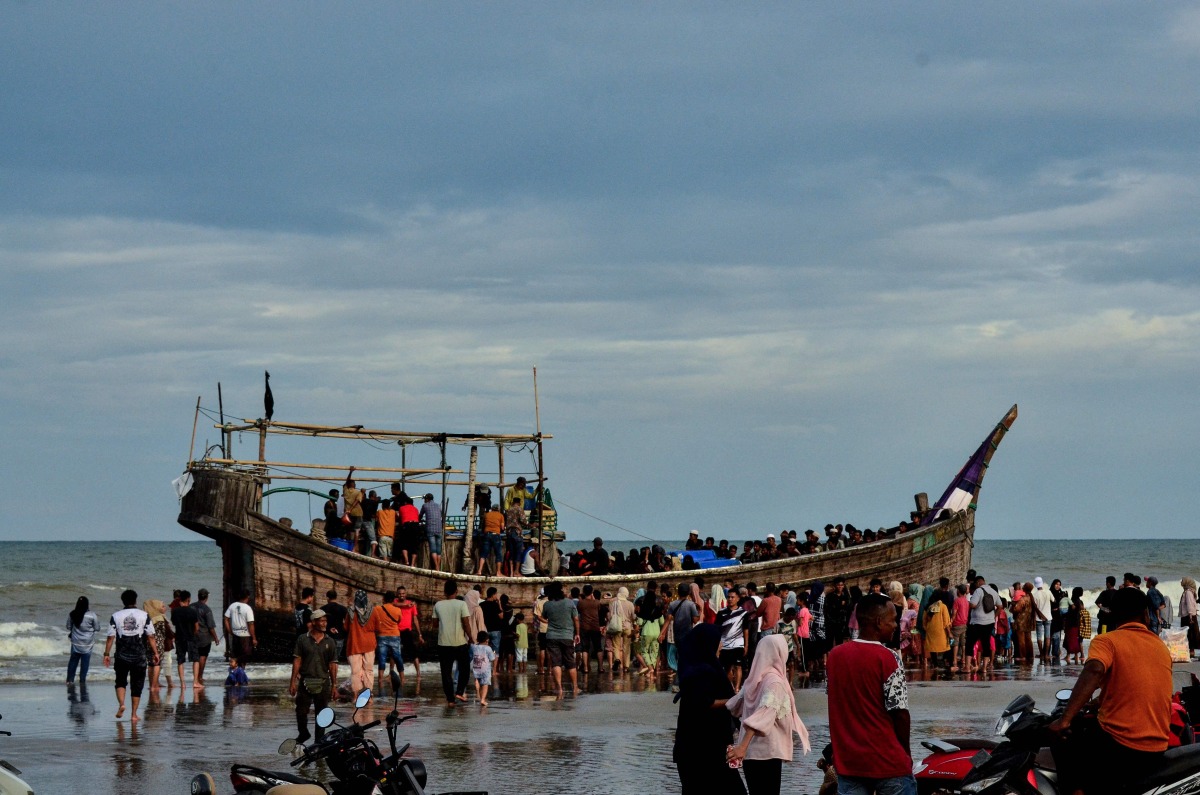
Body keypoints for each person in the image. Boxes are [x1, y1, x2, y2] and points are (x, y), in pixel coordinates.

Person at [1049, 587, 1172, 795]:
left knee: (1062, 736)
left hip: (1121, 745)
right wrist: (1095, 702)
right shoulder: (1160, 646)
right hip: (1158, 745)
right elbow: (1134, 684)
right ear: (1145, 614)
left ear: (1113, 616)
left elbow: (1095, 669)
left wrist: (1064, 719)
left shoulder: (1107, 641)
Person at [827, 594, 916, 795]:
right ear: (878, 622)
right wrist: (906, 755)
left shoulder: (835, 657)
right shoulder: (889, 658)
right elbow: (900, 713)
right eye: (892, 620)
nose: (895, 625)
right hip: (887, 762)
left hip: (849, 762)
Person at [726, 634, 811, 794]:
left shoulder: (754, 679)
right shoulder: (775, 682)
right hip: (767, 752)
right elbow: (763, 715)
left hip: (751, 753)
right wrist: (742, 747)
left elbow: (735, 707)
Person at [673, 623, 746, 795]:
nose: (720, 646)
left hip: (703, 747)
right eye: (718, 641)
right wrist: (734, 700)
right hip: (701, 749)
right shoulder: (699, 672)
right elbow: (703, 702)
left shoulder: (697, 667)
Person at [102, 589, 157, 721]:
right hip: (139, 655)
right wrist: (155, 653)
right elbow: (151, 636)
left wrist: (106, 653)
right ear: (135, 600)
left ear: (123, 601)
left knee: (120, 681)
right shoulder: (144, 615)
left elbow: (110, 637)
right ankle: (133, 715)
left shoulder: (116, 616)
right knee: (137, 685)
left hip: (121, 655)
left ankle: (122, 704)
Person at [289, 609, 338, 744]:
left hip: (323, 682)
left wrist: (334, 685)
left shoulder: (330, 642)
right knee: (301, 711)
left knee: (321, 714)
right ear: (314, 622)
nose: (324, 623)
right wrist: (292, 682)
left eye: (325, 621)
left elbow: (333, 665)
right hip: (305, 681)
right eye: (321, 621)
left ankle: (319, 741)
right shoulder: (303, 639)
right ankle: (303, 733)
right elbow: (297, 660)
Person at [432, 579, 472, 705]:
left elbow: (434, 625)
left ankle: (450, 700)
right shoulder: (461, 604)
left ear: (444, 592)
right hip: (460, 643)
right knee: (464, 669)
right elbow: (466, 623)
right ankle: (459, 692)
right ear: (456, 591)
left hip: (443, 643)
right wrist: (470, 637)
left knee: (446, 673)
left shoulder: (438, 605)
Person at [541, 580, 580, 700]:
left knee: (556, 663)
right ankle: (575, 687)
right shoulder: (569, 603)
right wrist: (577, 633)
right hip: (567, 635)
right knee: (570, 662)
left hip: (552, 636)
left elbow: (543, 617)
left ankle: (560, 689)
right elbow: (576, 619)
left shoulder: (547, 604)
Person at [344, 589, 378, 694]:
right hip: (369, 644)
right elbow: (377, 627)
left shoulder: (350, 611)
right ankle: (369, 696)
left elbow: (346, 628)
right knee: (369, 671)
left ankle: (355, 696)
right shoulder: (373, 611)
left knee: (355, 672)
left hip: (354, 644)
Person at [967, 575, 1000, 673]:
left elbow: (972, 604)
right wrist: (993, 616)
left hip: (977, 622)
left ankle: (967, 668)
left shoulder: (978, 591)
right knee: (986, 645)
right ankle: (985, 668)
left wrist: (973, 605)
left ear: (977, 583)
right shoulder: (993, 591)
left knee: (969, 644)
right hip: (989, 622)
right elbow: (1000, 606)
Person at [170, 589, 202, 689]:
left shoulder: (175, 611)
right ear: (188, 599)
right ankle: (195, 682)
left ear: (180, 599)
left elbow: (174, 624)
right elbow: (196, 627)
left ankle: (182, 683)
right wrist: (194, 634)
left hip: (179, 638)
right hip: (191, 638)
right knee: (196, 659)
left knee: (180, 660)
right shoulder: (192, 611)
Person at [67, 596, 101, 685]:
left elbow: (68, 627)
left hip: (75, 642)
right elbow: (97, 628)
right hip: (87, 644)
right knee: (85, 663)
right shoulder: (92, 615)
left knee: (73, 662)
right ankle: (82, 681)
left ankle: (69, 680)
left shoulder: (72, 614)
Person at [373, 591, 404, 685]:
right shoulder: (398, 610)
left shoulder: (377, 609)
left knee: (382, 658)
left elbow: (375, 620)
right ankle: (402, 678)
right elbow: (399, 621)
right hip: (395, 635)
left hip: (382, 635)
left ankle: (380, 679)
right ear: (393, 600)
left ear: (384, 599)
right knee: (398, 657)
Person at [194, 588, 221, 687]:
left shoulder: (191, 606)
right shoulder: (206, 609)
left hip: (193, 635)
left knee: (195, 657)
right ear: (206, 597)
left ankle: (196, 677)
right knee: (203, 656)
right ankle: (199, 676)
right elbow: (210, 626)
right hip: (204, 636)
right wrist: (216, 638)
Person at [144, 599, 173, 689]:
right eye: (162, 606)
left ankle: (151, 684)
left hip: (147, 643)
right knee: (157, 663)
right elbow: (166, 632)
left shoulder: (146, 618)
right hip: (158, 643)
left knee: (150, 664)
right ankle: (154, 685)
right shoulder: (160, 619)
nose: (164, 608)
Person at [395, 586, 423, 681]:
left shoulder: (411, 605)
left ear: (406, 594)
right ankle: (391, 672)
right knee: (393, 653)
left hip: (407, 631)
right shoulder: (395, 602)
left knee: (413, 653)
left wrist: (419, 634)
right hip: (396, 630)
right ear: (397, 594)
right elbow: (394, 605)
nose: (401, 595)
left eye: (403, 593)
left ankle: (418, 673)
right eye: (399, 593)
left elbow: (415, 619)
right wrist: (406, 606)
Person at [609, 586, 636, 675]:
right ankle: (626, 667)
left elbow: (611, 615)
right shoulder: (630, 604)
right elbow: (633, 617)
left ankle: (617, 659)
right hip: (628, 626)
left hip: (617, 626)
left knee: (616, 645)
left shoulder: (614, 603)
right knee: (626, 647)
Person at [224, 590, 257, 663]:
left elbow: (226, 619)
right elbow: (251, 624)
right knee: (244, 657)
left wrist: (230, 631)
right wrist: (254, 638)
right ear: (247, 597)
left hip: (235, 634)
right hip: (245, 636)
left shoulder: (232, 605)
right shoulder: (248, 608)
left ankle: (234, 671)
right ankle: (240, 671)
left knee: (235, 655)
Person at [477, 503, 505, 575]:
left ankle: (479, 570)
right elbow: (502, 527)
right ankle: (498, 572)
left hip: (487, 534)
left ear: (492, 508)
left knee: (483, 554)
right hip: (496, 535)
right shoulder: (500, 515)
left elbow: (483, 526)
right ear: (498, 509)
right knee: (498, 554)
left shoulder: (487, 514)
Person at [469, 631, 496, 706]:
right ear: (487, 640)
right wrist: (493, 654)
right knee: (485, 684)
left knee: (478, 680)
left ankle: (478, 691)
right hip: (485, 670)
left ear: (477, 639)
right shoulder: (488, 648)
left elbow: (470, 656)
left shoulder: (473, 647)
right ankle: (483, 700)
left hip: (476, 668)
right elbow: (492, 659)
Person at [319, 589, 348, 661]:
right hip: (339, 636)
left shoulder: (322, 609)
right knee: (335, 661)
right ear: (336, 597)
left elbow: (319, 624)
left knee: (325, 660)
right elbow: (348, 623)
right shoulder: (343, 609)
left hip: (326, 637)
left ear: (328, 598)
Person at [419, 493, 444, 571]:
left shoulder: (425, 506)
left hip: (430, 529)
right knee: (438, 550)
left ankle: (436, 566)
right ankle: (438, 567)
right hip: (439, 529)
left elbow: (420, 516)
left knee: (433, 549)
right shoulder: (438, 506)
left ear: (427, 499)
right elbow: (441, 515)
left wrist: (420, 520)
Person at [1031, 577, 1053, 662]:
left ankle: (1041, 654)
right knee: (1047, 636)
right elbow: (1053, 600)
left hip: (1038, 618)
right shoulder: (1048, 592)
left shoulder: (1034, 595)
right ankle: (1046, 654)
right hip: (1048, 616)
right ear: (1042, 583)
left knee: (1039, 636)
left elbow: (1034, 607)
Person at [1181, 577, 1199, 658]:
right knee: (1190, 634)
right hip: (1189, 615)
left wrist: (1191, 616)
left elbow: (1189, 605)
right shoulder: (1188, 591)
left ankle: (1191, 652)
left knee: (1190, 634)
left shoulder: (1188, 592)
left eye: (1182, 581)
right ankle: (1191, 652)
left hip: (1188, 616)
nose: (1181, 582)